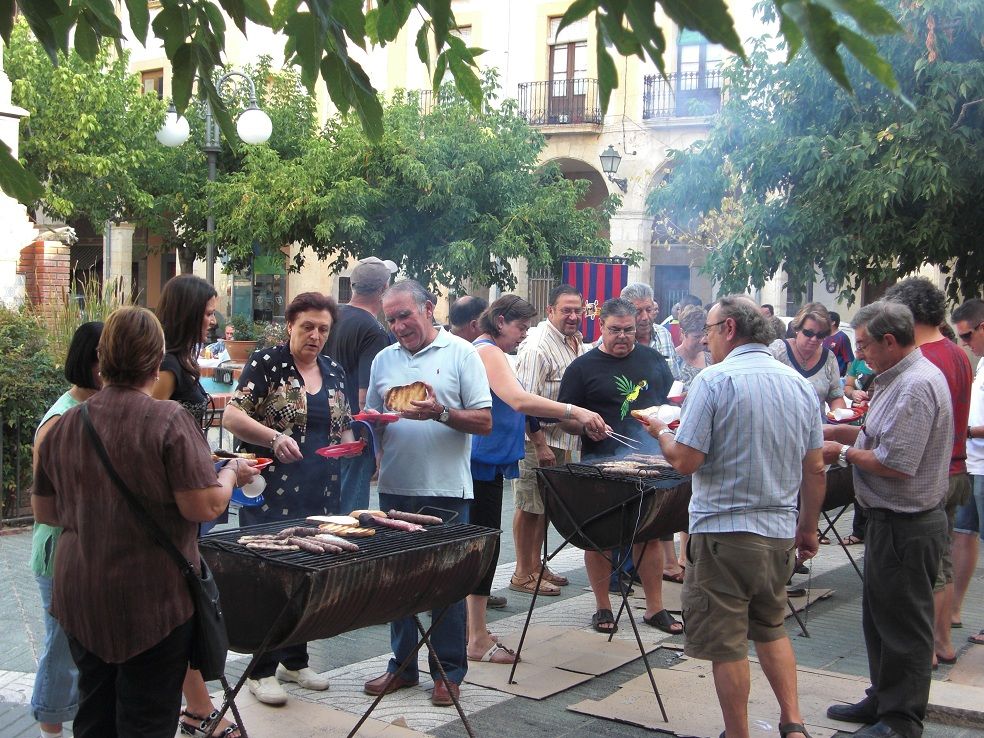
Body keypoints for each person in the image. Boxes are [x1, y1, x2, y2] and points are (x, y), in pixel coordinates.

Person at [32, 306, 258, 738]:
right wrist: (230, 473)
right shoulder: (168, 419)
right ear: (156, 362)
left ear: (103, 357)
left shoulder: (64, 424)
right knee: (147, 718)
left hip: (80, 594)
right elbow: (204, 507)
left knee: (94, 715)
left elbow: (45, 513)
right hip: (152, 599)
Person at [645, 294, 824, 738]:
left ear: (728, 328)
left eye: (708, 329)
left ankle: (739, 734)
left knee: (727, 646)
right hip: (779, 533)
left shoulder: (714, 380)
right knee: (771, 626)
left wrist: (663, 433)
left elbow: (685, 461)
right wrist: (807, 528)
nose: (705, 338)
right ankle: (793, 722)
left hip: (724, 534)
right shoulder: (797, 383)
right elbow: (815, 466)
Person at [822, 300, 951, 738]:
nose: (861, 355)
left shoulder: (914, 384)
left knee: (904, 627)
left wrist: (840, 452)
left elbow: (896, 462)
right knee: (879, 618)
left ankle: (901, 719)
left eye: (864, 346)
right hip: (887, 521)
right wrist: (842, 433)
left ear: (890, 342)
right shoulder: (894, 379)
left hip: (907, 524)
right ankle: (883, 698)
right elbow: (880, 436)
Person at [361, 280, 493, 707]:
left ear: (429, 308)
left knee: (446, 584)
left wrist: (441, 412)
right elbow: (373, 418)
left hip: (447, 490)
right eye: (392, 318)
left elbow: (484, 421)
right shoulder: (383, 360)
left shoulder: (461, 353)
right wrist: (373, 425)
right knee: (397, 581)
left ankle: (447, 671)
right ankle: (401, 665)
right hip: (396, 486)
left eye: (405, 315)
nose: (399, 325)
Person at [223, 292, 358, 706]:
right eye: (307, 327)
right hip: (269, 494)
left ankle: (295, 661)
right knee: (268, 583)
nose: (315, 336)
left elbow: (345, 423)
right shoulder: (268, 363)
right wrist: (274, 436)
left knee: (307, 581)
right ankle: (260, 670)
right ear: (289, 326)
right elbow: (231, 414)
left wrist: (351, 445)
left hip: (321, 490)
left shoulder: (333, 370)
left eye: (322, 329)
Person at [466, 295, 606, 663]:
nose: (522, 336)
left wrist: (569, 419)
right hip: (480, 464)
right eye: (520, 327)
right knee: (481, 550)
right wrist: (574, 410)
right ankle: (475, 637)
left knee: (483, 547)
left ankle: (473, 629)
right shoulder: (489, 351)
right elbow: (519, 400)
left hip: (490, 463)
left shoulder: (492, 351)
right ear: (498, 321)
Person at [557, 298, 681, 636]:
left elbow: (670, 404)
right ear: (602, 328)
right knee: (600, 539)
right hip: (600, 465)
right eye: (615, 330)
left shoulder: (653, 359)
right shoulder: (582, 368)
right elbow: (565, 420)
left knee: (649, 536)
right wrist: (583, 425)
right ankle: (602, 606)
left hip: (649, 462)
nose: (623, 336)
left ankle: (655, 607)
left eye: (628, 330)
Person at [153, 274, 242, 737]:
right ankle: (196, 707)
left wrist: (215, 460)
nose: (214, 321)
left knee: (190, 602)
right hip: (178, 502)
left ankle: (195, 706)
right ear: (188, 312)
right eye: (208, 313)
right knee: (185, 603)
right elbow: (148, 430)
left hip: (196, 483)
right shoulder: (167, 364)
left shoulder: (184, 360)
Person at [885, 277, 972, 667]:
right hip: (956, 467)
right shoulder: (956, 352)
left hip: (931, 475)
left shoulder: (926, 359)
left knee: (926, 570)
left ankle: (928, 647)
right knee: (943, 561)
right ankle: (941, 641)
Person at [30, 322, 102, 738]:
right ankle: (50, 728)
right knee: (60, 647)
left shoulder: (99, 408)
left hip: (85, 546)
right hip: (60, 549)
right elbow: (47, 506)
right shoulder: (60, 421)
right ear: (94, 362)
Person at [511, 284, 588, 597]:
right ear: (550, 311)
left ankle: (536, 564)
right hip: (537, 441)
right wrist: (540, 445)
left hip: (564, 441)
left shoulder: (574, 340)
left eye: (577, 310)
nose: (572, 316)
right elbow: (525, 402)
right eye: (566, 310)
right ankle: (521, 571)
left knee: (545, 507)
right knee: (529, 505)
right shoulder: (537, 346)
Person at [323, 258, 394, 513]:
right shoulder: (373, 330)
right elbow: (366, 396)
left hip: (320, 426)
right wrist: (373, 442)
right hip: (353, 434)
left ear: (352, 285)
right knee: (349, 514)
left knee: (323, 510)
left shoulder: (329, 319)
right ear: (384, 288)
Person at [663, 304, 712, 582]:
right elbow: (668, 395)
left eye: (703, 335)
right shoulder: (674, 360)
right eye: (695, 336)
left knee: (695, 493)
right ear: (682, 334)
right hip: (678, 428)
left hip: (703, 433)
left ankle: (688, 554)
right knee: (677, 495)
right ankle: (673, 559)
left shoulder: (710, 358)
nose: (700, 341)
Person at [951, 299, 984, 641]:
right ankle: (954, 608)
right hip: (971, 461)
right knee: (963, 534)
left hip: (979, 460)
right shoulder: (981, 362)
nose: (965, 344)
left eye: (968, 335)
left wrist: (966, 432)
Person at [770, 302, 847, 416]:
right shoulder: (778, 351)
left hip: (817, 429)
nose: (814, 339)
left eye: (821, 335)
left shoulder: (829, 359)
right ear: (798, 329)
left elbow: (835, 397)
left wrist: (839, 416)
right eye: (809, 333)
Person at [620, 283, 674, 358]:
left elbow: (673, 369)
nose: (645, 317)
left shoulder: (664, 334)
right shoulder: (613, 340)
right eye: (638, 312)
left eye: (649, 310)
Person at [671, 305, 711, 391]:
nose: (702, 340)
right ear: (683, 333)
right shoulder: (672, 360)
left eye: (705, 335)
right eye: (697, 337)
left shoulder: (711, 359)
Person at [823, 311, 855, 377]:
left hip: (837, 378)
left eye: (827, 320)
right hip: (824, 376)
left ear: (833, 322)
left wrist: (846, 379)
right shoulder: (825, 336)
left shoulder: (842, 338)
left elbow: (849, 361)